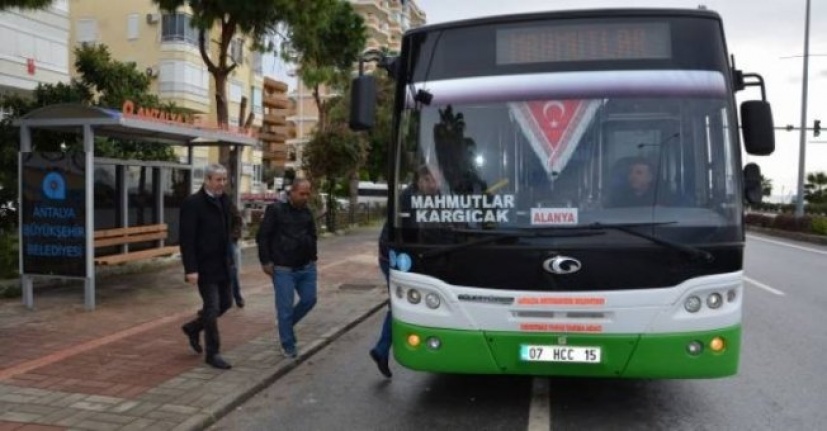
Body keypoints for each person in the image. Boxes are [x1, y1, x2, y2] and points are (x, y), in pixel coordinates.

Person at [179, 163, 234, 370]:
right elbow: (187, 239)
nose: (222, 184)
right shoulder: (193, 204)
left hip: (223, 264)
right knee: (211, 309)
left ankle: (193, 328)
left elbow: (231, 226)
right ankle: (213, 353)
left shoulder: (224, 201)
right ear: (208, 180)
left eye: (224, 179)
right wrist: (190, 269)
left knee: (226, 303)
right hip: (204, 266)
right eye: (218, 180)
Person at [256, 178, 318, 359]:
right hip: (283, 269)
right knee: (285, 308)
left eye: (308, 194)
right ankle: (288, 345)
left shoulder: (307, 212)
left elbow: (312, 235)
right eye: (302, 194)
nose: (305, 197)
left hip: (306, 267)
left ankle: (286, 325)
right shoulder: (276, 210)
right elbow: (263, 236)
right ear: (292, 192)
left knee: (309, 300)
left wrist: (313, 258)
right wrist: (265, 261)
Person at [369, 220, 392, 378]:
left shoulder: (440, 198)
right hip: (395, 261)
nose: (435, 192)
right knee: (399, 306)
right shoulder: (405, 201)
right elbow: (386, 243)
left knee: (397, 307)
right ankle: (381, 350)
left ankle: (381, 350)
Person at [228, 200, 244, 308]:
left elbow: (238, 220)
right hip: (210, 243)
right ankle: (210, 303)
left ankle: (237, 296)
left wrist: (233, 236)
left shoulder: (228, 203)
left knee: (231, 269)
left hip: (228, 241)